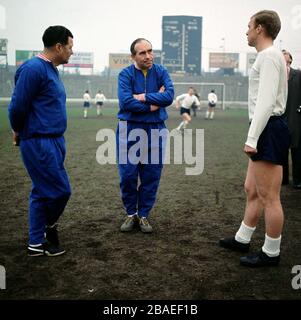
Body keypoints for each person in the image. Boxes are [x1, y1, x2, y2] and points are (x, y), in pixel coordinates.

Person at [219, 10, 290, 267]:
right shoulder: (267, 56)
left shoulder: (270, 56)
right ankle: (242, 237)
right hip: (265, 128)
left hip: (268, 128)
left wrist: (252, 137)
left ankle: (271, 252)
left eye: (249, 26)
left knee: (269, 196)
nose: (246, 31)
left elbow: (267, 101)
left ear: (260, 28)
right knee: (251, 188)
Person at [8, 26, 73, 256]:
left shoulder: (51, 69)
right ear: (58, 47)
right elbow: (17, 105)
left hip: (54, 140)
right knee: (61, 191)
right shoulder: (33, 68)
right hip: (39, 141)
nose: (71, 52)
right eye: (70, 47)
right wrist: (17, 129)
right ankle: (48, 228)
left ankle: (35, 243)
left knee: (41, 191)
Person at [117, 38, 174, 233]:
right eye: (142, 53)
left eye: (150, 51)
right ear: (133, 56)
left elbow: (169, 96)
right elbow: (126, 102)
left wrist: (142, 97)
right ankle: (131, 213)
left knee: (151, 175)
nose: (148, 56)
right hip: (129, 129)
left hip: (156, 129)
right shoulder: (124, 75)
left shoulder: (161, 72)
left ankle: (143, 215)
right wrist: (154, 104)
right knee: (128, 175)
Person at [281, 50, 301, 189]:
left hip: (296, 119)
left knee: (297, 151)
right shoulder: (275, 77)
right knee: (281, 151)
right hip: (280, 119)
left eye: (288, 62)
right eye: (284, 62)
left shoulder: (298, 75)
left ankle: (298, 180)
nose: (286, 64)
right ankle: (283, 180)